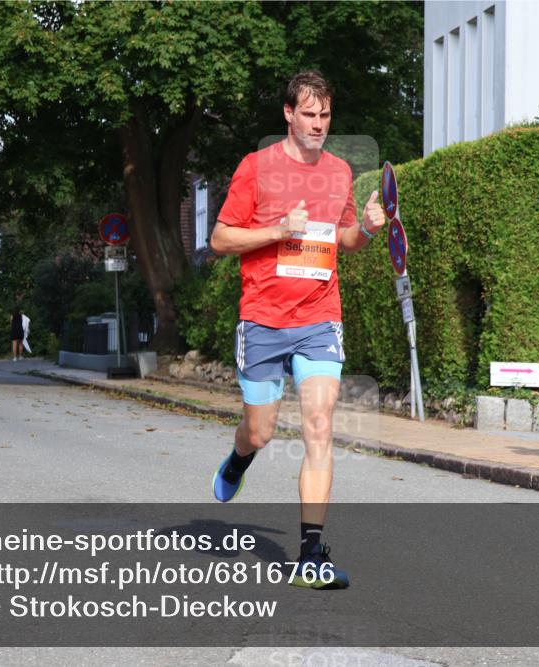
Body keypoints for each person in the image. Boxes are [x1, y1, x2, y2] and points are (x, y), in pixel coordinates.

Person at [209, 71, 386, 590]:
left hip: (318, 317)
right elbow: (220, 237)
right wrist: (277, 230)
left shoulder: (339, 173)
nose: (317, 125)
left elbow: (345, 239)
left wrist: (369, 229)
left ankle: (311, 555)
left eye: (325, 115)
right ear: (288, 114)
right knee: (261, 432)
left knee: (319, 425)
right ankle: (241, 456)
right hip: (262, 317)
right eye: (308, 115)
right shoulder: (256, 168)